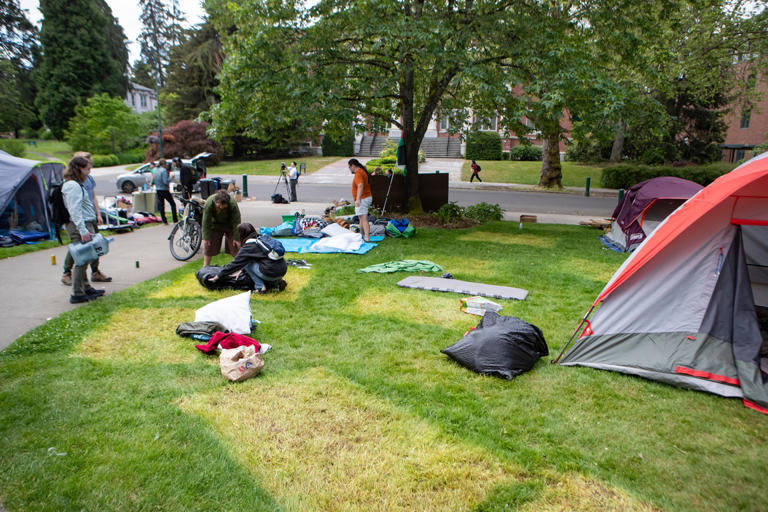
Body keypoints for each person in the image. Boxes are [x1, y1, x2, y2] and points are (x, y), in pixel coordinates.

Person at [61, 156, 108, 303]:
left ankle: (86, 287)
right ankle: (77, 293)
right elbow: (74, 211)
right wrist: (83, 230)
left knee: (87, 257)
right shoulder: (72, 186)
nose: (89, 172)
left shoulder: (76, 184)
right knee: (81, 260)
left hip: (85, 223)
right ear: (78, 169)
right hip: (79, 225)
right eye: (87, 169)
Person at [210, 223, 287, 293]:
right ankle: (277, 283)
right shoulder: (263, 238)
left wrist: (217, 276)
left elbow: (235, 264)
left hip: (270, 273)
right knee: (269, 262)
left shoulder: (249, 246)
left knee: (246, 263)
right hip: (283, 270)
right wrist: (241, 270)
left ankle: (260, 287)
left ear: (241, 235)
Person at [202, 189, 241, 266]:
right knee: (208, 246)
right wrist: (206, 237)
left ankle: (239, 267)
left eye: (223, 207)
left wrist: (236, 238)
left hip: (230, 224)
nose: (220, 208)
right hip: (215, 224)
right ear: (216, 202)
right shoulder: (209, 203)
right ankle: (205, 266)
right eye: (218, 206)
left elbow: (237, 222)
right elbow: (206, 221)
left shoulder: (233, 204)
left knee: (236, 246)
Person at [348, 158, 372, 242]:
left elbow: (360, 185)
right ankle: (361, 235)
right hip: (365, 197)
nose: (349, 169)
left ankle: (367, 237)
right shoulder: (362, 171)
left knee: (364, 218)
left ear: (353, 166)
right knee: (361, 218)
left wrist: (357, 199)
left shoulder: (358, 172)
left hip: (363, 198)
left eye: (349, 167)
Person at [152, 159, 178, 224]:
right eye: (166, 164)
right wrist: (171, 177)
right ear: (163, 164)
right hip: (164, 189)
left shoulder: (155, 170)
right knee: (172, 204)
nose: (166, 166)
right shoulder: (163, 171)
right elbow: (165, 181)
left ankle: (164, 220)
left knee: (161, 205)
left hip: (158, 189)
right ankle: (175, 219)